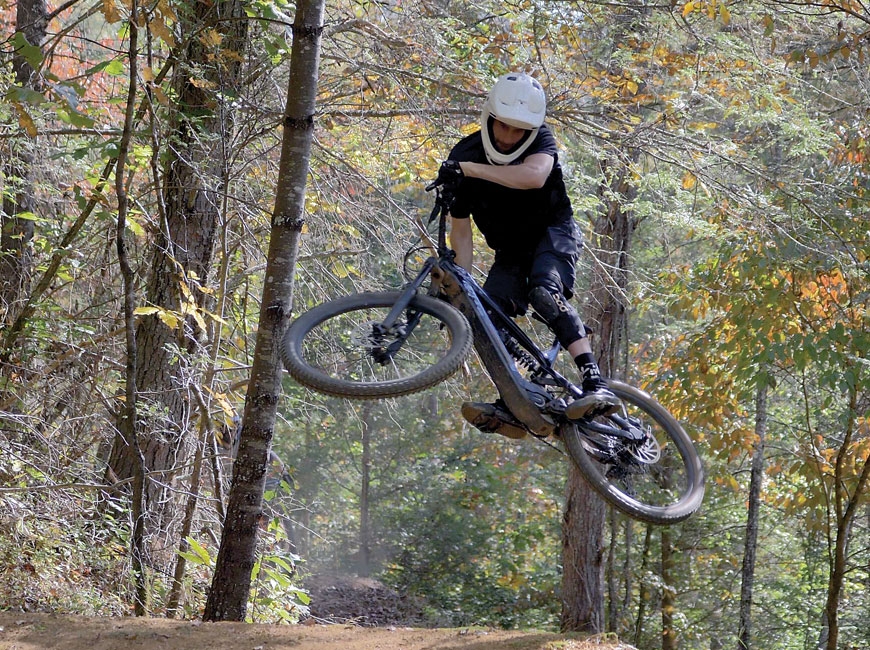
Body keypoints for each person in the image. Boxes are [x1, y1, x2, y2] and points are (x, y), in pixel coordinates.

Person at [436, 72, 619, 439]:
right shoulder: (464, 154)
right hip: (510, 252)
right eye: (503, 126)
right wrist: (461, 286)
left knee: (543, 293)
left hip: (553, 234)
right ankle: (517, 400)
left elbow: (533, 177)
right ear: (490, 118)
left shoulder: (541, 142)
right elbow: (460, 230)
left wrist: (469, 171)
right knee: (482, 316)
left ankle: (593, 380)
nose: (508, 137)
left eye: (518, 130)